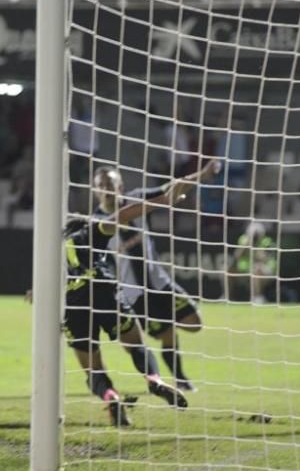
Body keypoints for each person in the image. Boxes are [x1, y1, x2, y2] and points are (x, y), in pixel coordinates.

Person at [62, 159, 220, 427]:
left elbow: (169, 187)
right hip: (126, 294)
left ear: (120, 185)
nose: (108, 189)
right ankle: (160, 380)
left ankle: (111, 395)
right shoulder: (98, 224)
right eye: (102, 185)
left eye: (111, 183)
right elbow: (132, 212)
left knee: (192, 325)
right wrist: (165, 201)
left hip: (151, 284)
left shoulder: (127, 203)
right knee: (137, 345)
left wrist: (201, 176)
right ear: (94, 190)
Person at [228, 222, 278, 304]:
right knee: (228, 269)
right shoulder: (244, 239)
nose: (254, 237)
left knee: (257, 268)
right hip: (245, 270)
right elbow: (236, 256)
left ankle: (258, 297)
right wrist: (246, 245)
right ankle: (227, 296)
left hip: (266, 271)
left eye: (256, 235)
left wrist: (255, 248)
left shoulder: (266, 241)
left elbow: (263, 259)